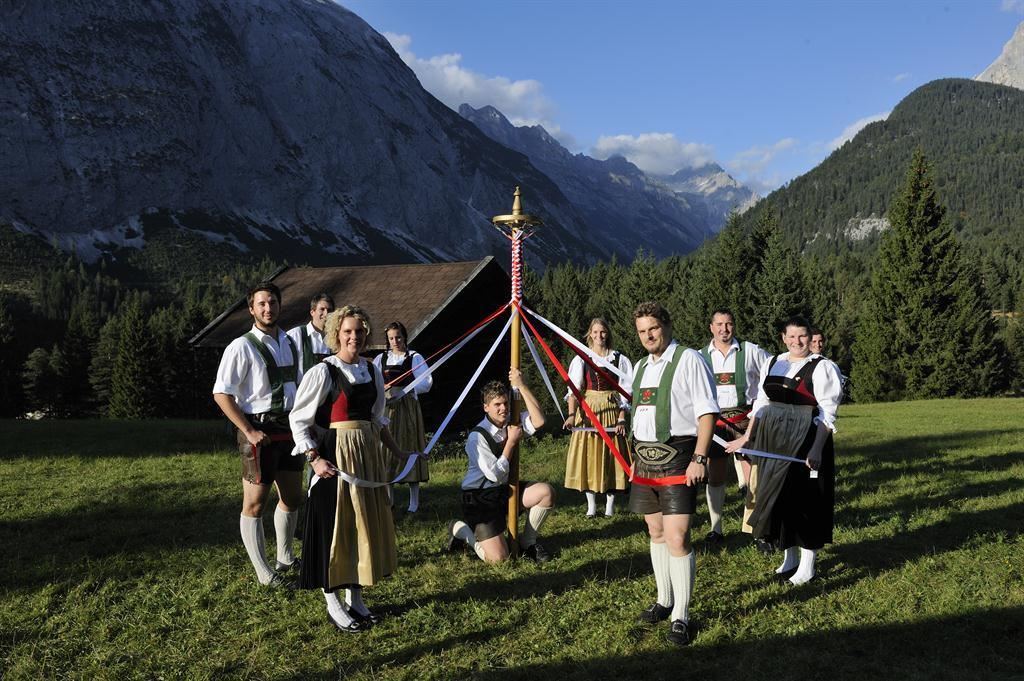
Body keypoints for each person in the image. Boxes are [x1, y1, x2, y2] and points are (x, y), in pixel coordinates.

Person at [289, 305, 414, 632]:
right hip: (336, 457)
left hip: (367, 456)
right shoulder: (324, 372)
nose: (354, 337)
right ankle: (332, 601)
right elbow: (298, 420)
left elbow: (377, 417)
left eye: (359, 331)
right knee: (336, 528)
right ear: (336, 335)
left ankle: (355, 599)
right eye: (347, 332)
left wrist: (398, 452)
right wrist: (315, 458)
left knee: (361, 526)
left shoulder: (371, 370)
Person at [726, 316, 843, 586]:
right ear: (783, 338)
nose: (796, 341)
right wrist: (747, 436)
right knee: (781, 497)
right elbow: (761, 403)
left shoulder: (823, 367)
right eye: (791, 336)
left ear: (810, 337)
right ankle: (789, 558)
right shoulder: (773, 362)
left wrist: (815, 449)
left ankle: (807, 566)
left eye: (802, 336)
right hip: (774, 439)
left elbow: (828, 413)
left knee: (807, 500)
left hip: (807, 440)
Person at [630, 301, 718, 646]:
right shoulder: (640, 367)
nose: (648, 335)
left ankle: (682, 614)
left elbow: (706, 413)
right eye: (641, 331)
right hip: (645, 461)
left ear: (666, 325)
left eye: (653, 327)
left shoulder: (689, 360)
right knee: (655, 531)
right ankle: (664, 599)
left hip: (680, 457)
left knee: (678, 537)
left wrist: (700, 457)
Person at [213, 282, 304, 588]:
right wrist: (249, 430)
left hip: (289, 429)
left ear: (280, 305)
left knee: (292, 497)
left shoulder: (290, 343)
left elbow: (300, 386)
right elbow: (221, 394)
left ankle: (285, 556)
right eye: (262, 304)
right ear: (252, 309)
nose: (268, 308)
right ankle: (265, 574)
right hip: (258, 431)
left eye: (273, 302)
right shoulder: (241, 346)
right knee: (255, 504)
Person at [444, 369, 554, 563]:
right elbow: (495, 475)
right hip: (479, 498)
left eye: (505, 403)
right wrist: (511, 442)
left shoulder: (511, 421)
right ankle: (461, 530)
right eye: (497, 405)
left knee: (546, 492)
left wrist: (521, 386)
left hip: (503, 490)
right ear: (486, 407)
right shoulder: (477, 437)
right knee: (498, 559)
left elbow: (539, 420)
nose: (503, 409)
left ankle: (527, 543)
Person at [698, 309, 771, 549]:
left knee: (752, 476)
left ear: (734, 326)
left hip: (744, 419)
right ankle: (715, 528)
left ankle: (756, 528)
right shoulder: (699, 357)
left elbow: (772, 371)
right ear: (711, 327)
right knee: (716, 474)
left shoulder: (751, 351)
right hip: (715, 422)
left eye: (728, 324)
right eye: (719, 324)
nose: (724, 329)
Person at [562, 318, 632, 517]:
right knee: (589, 454)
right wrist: (571, 415)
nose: (599, 336)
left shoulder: (620, 359)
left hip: (611, 407)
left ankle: (610, 504)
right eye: (595, 332)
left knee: (611, 456)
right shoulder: (582, 358)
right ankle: (591, 505)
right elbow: (574, 389)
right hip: (589, 409)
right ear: (590, 334)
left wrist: (621, 418)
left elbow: (627, 392)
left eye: (603, 332)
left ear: (607, 334)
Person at [373, 321, 432, 513]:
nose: (395, 341)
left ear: (404, 337)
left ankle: (413, 501)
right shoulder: (380, 359)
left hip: (407, 409)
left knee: (409, 445)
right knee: (386, 452)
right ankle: (389, 500)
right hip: (386, 409)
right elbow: (373, 382)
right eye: (391, 338)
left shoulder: (414, 357)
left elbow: (427, 382)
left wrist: (406, 386)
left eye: (398, 337)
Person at [287, 293, 335, 376]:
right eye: (322, 309)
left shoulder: (336, 338)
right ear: (312, 312)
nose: (326, 313)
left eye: (329, 310)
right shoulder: (295, 335)